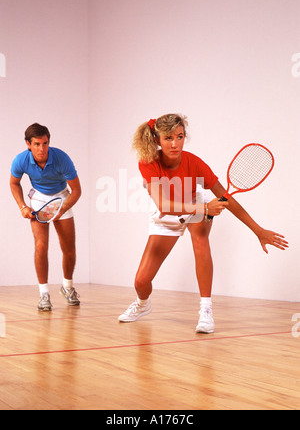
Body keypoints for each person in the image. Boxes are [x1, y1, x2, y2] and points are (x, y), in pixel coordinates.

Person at [118, 114, 288, 333]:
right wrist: (206, 209)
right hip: (170, 212)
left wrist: (258, 231)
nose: (174, 143)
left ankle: (206, 310)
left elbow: (226, 197)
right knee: (141, 282)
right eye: (168, 138)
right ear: (157, 140)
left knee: (200, 240)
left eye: (180, 137)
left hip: (195, 204)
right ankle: (142, 305)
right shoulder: (148, 162)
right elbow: (164, 205)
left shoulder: (194, 162)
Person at [10, 123, 82, 311]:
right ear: (28, 144)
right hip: (39, 198)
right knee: (41, 246)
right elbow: (14, 183)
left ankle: (67, 287)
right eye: (37, 144)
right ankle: (44, 294)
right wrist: (22, 207)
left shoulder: (61, 158)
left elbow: (77, 191)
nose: (42, 149)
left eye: (45, 143)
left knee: (69, 248)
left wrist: (61, 209)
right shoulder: (21, 160)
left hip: (62, 197)